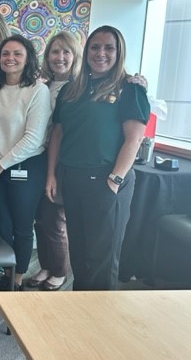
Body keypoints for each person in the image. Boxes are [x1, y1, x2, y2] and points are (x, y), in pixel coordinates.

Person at [46, 26, 149, 290]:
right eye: (95, 47)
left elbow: (134, 139)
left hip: (106, 180)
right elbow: (58, 133)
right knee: (79, 255)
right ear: (86, 50)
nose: (100, 53)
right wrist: (51, 175)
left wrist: (114, 180)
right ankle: (81, 309)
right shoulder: (72, 89)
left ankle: (101, 314)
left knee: (102, 259)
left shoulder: (130, 89)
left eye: (108, 48)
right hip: (72, 178)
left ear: (119, 52)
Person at [0, 35, 51, 291]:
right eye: (5, 53)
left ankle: (17, 278)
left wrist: (0, 165)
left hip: (26, 168)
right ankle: (6, 273)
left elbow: (33, 139)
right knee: (2, 224)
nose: (10, 58)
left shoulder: (38, 91)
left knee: (21, 226)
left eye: (17, 54)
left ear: (28, 58)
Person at [24, 32, 82, 291]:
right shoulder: (44, 86)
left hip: (62, 160)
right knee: (40, 218)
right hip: (40, 157)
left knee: (55, 219)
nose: (60, 57)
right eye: (55, 52)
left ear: (75, 56)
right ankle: (46, 266)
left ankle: (59, 271)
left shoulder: (80, 87)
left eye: (66, 52)